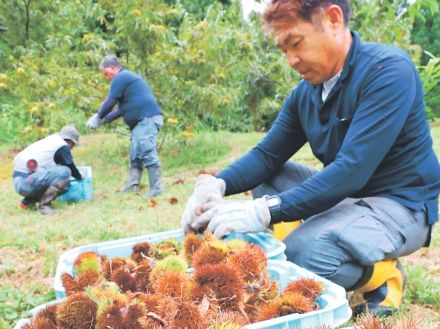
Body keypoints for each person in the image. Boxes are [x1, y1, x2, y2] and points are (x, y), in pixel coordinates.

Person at [181, 0, 440, 317]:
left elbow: (352, 170)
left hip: (400, 205)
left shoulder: (387, 72)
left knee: (304, 254)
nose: (291, 60)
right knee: (267, 176)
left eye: (296, 43)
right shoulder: (306, 94)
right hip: (347, 198)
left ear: (333, 19)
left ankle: (383, 276)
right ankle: (302, 253)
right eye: (283, 50)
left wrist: (265, 210)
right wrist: (216, 184)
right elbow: (266, 155)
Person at [87, 55, 164, 197]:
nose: (106, 77)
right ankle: (132, 185)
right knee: (136, 155)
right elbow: (121, 110)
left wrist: (98, 116)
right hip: (141, 122)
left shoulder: (121, 77)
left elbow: (110, 101)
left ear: (113, 67)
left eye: (106, 73)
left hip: (147, 119)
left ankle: (157, 188)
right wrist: (103, 121)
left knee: (146, 151)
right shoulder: (126, 81)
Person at [13, 125, 82, 215]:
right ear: (70, 142)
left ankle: (27, 202)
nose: (72, 148)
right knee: (65, 172)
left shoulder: (52, 141)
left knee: (59, 179)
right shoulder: (62, 145)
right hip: (26, 182)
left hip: (19, 182)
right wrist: (80, 177)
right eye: (73, 145)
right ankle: (44, 206)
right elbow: (70, 167)